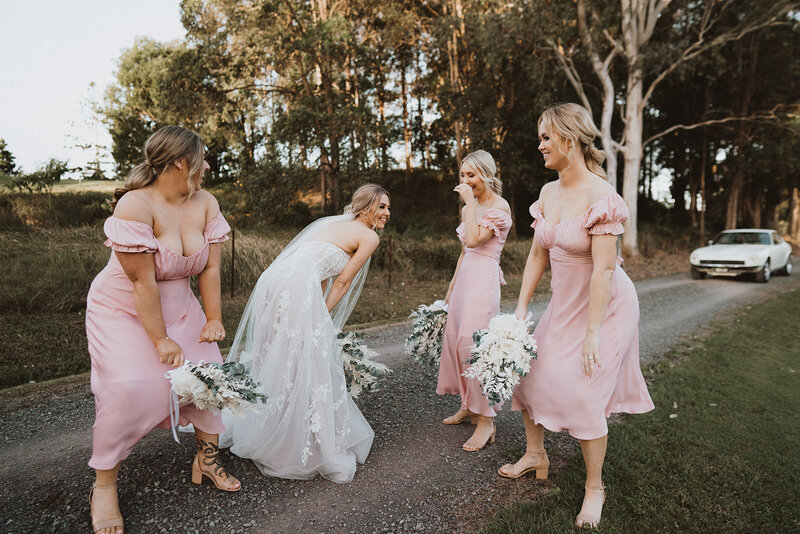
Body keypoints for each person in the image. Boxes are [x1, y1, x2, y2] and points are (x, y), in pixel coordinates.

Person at [499, 103, 654, 529]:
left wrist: (592, 335)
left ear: (569, 138)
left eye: (547, 136)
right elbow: (536, 255)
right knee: (529, 370)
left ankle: (594, 487)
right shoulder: (548, 194)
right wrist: (519, 308)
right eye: (541, 136)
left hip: (607, 306)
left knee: (583, 391)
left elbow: (604, 269)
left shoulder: (601, 195)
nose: (541, 144)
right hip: (565, 301)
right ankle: (535, 454)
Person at [86, 126, 240, 534]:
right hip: (123, 308)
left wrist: (213, 318)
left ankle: (206, 461)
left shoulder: (206, 202)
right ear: (178, 162)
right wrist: (160, 340)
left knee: (211, 376)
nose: (207, 166)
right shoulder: (135, 206)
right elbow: (142, 283)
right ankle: (104, 486)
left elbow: (211, 267)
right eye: (202, 158)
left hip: (181, 307)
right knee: (130, 387)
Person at [220, 184, 390, 483]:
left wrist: (317, 311)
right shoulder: (369, 236)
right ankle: (300, 441)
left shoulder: (335, 223)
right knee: (306, 357)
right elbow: (341, 283)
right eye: (381, 207)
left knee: (279, 352)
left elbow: (319, 270)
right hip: (296, 285)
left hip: (274, 280)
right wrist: (322, 315)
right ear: (365, 208)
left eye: (388, 208)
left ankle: (273, 423)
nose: (387, 213)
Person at [436, 150, 513, 452]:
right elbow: (464, 251)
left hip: (484, 280)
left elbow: (475, 240)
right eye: (463, 176)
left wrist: (469, 204)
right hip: (466, 279)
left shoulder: (499, 206)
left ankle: (486, 420)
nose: (466, 181)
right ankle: (468, 404)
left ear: (487, 174)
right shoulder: (473, 206)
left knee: (474, 344)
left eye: (471, 175)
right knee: (456, 339)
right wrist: (453, 285)